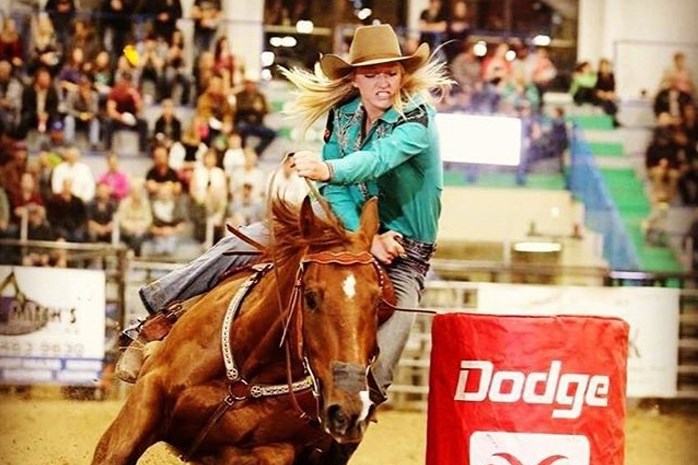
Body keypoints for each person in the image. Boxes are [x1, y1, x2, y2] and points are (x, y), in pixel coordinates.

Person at [118, 24, 452, 457]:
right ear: (355, 79)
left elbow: (375, 161)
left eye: (390, 73)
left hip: (406, 255)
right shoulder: (345, 115)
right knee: (242, 242)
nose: (383, 83)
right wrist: (360, 240)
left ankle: (332, 449)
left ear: (402, 75)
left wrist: (330, 170)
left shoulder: (417, 115)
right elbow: (336, 193)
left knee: (380, 365)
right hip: (350, 233)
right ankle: (155, 320)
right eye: (372, 75)